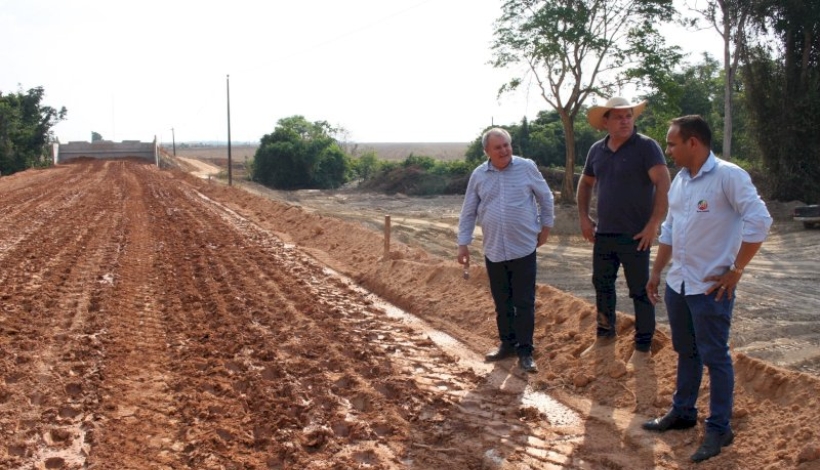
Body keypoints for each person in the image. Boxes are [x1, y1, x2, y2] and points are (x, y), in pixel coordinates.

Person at [642, 115, 772, 463]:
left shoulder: (729, 176)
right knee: (687, 352)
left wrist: (737, 269)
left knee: (715, 357)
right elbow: (669, 230)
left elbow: (760, 220)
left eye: (672, 143)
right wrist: (656, 272)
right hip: (679, 284)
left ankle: (719, 428)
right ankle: (683, 412)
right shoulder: (681, 182)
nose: (668, 150)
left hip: (710, 288)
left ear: (693, 143)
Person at [576, 97, 671, 366]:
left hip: (637, 235)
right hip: (604, 234)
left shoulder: (646, 147)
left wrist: (654, 224)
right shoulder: (596, 150)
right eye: (618, 117)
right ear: (605, 122)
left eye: (628, 115)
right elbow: (585, 184)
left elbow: (663, 182)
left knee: (640, 290)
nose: (625, 120)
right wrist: (584, 217)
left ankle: (642, 348)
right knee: (602, 285)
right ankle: (605, 337)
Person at [457, 127, 554, 373]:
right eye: (498, 147)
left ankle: (525, 351)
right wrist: (463, 243)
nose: (504, 151)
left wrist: (546, 227)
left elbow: (546, 197)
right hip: (494, 249)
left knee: (524, 302)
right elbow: (469, 211)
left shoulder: (526, 167)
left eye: (507, 145)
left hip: (523, 247)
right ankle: (507, 345)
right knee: (502, 302)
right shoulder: (479, 175)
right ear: (487, 151)